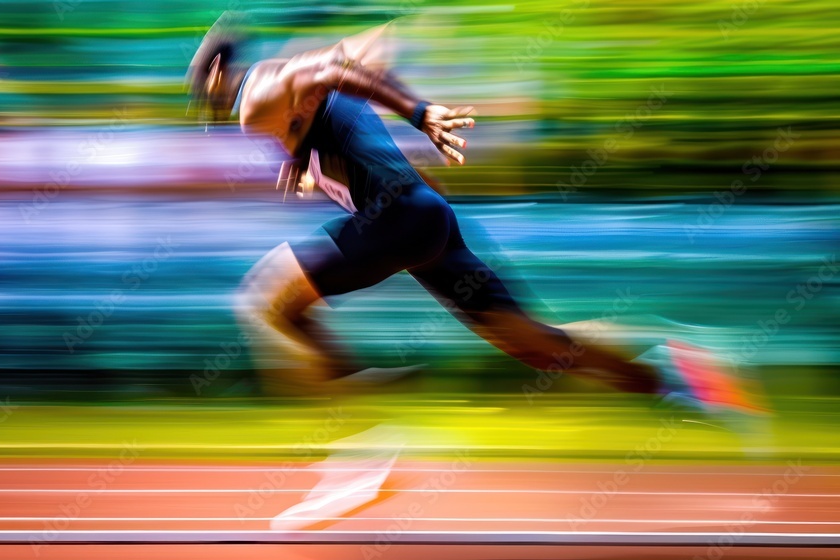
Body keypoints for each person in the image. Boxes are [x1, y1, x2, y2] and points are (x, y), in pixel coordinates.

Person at [188, 13, 760, 528]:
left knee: (265, 298)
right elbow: (359, 57)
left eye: (200, 88)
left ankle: (363, 457)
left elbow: (333, 68)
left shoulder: (257, 94)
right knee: (538, 345)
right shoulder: (290, 107)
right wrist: (306, 160)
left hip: (403, 217)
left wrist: (419, 113)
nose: (205, 105)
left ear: (218, 72)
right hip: (425, 220)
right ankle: (678, 374)